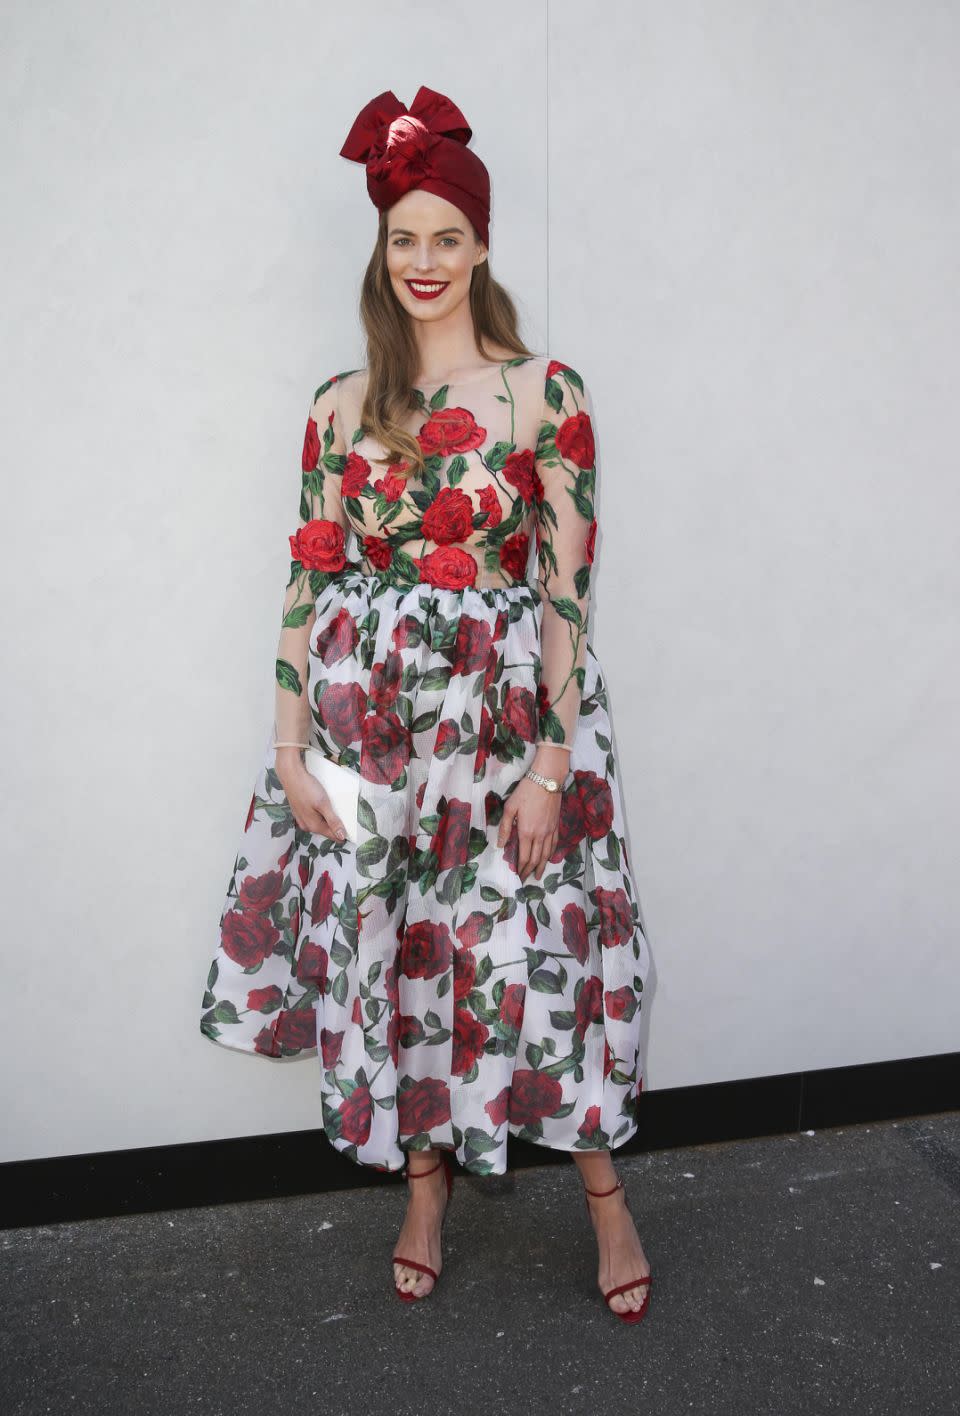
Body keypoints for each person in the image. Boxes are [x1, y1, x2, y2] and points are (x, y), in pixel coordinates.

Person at [200, 85, 653, 1323]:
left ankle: (605, 1194)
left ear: (483, 244)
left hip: (510, 728)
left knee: (540, 941)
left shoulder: (545, 393)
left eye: (446, 235)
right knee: (397, 950)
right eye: (403, 237)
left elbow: (567, 591)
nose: (424, 261)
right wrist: (290, 748)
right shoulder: (339, 407)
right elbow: (309, 571)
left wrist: (552, 767)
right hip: (369, 724)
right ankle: (423, 1184)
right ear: (381, 250)